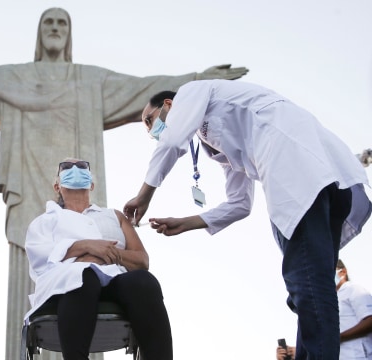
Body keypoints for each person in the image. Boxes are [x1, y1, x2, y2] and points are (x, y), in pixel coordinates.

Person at [0, 8, 248, 358]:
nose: (56, 28)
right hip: (28, 176)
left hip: (111, 269)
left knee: (131, 284)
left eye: (63, 23)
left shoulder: (91, 83)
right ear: (57, 184)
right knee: (79, 278)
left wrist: (198, 80)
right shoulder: (15, 80)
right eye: (49, 23)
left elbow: (144, 87)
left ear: (90, 180)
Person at [123, 79, 372, 359]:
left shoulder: (193, 92)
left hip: (298, 176)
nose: (152, 132)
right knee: (310, 287)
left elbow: (171, 141)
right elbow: (240, 203)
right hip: (325, 179)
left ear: (169, 105)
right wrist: (187, 222)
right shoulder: (218, 138)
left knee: (308, 286)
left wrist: (143, 195)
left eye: (150, 120)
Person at [25, 158, 173, 360]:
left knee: (144, 282)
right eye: (67, 167)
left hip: (114, 278)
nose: (75, 169)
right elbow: (40, 257)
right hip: (68, 285)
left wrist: (110, 253)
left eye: (82, 166)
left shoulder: (114, 216)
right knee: (83, 276)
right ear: (56, 185)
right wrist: (86, 246)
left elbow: (142, 261)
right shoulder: (45, 221)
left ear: (92, 184)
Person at [335, 259, 372, 359]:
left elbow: (369, 320)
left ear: (343, 272)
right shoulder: (332, 298)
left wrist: (339, 337)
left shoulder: (353, 289)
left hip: (360, 355)